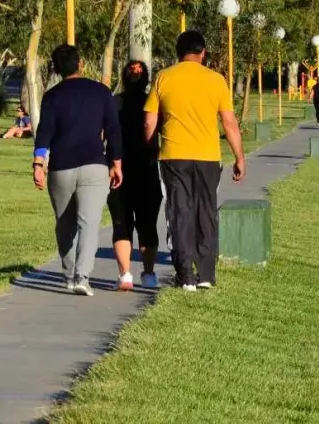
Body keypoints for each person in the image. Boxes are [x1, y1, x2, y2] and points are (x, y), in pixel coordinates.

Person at [144, 31, 246, 292]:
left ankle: (185, 274)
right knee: (206, 212)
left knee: (179, 212)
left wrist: (150, 147)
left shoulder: (164, 77)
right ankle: (206, 274)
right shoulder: (216, 80)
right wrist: (239, 157)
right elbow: (229, 122)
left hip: (173, 156)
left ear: (178, 52)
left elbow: (149, 121)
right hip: (208, 157)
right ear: (202, 53)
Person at [33, 45, 122, 297]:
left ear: (57, 69)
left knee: (65, 224)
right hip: (94, 165)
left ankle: (70, 274)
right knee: (89, 223)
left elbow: (44, 133)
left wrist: (38, 164)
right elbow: (113, 130)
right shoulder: (101, 92)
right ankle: (82, 276)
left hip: (61, 168)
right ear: (80, 64)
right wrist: (116, 163)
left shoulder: (52, 96)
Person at [108, 61, 162, 291]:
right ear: (146, 78)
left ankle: (125, 274)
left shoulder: (113, 102)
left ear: (123, 76)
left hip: (118, 169)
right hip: (147, 169)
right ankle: (148, 274)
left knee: (121, 224)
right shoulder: (153, 102)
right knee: (147, 225)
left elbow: (104, 132)